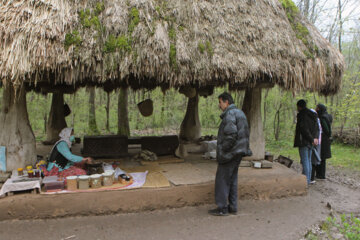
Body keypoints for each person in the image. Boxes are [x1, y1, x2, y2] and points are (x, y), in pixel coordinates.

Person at [208, 92, 251, 216]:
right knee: (232, 179)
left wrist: (223, 149)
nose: (219, 105)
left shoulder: (230, 114)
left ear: (226, 102)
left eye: (220, 102)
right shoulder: (240, 113)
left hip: (231, 153)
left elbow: (231, 135)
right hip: (239, 152)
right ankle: (233, 207)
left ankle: (222, 208)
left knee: (222, 179)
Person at [294, 100, 319, 185]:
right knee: (308, 160)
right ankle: (306, 179)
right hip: (311, 141)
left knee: (305, 161)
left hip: (304, 141)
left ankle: (306, 181)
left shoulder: (302, 115)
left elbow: (304, 129)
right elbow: (316, 128)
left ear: (299, 106)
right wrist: (314, 138)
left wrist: (311, 139)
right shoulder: (313, 115)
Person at [315, 104, 332, 179]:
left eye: (317, 108)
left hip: (323, 139)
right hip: (324, 139)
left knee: (321, 156)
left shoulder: (323, 117)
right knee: (321, 156)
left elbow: (327, 130)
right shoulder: (327, 116)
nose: (316, 109)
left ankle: (321, 174)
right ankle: (320, 174)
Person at [311, 109, 322, 183]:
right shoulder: (317, 120)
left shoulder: (315, 121)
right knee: (313, 160)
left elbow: (317, 132)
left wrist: (314, 140)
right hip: (318, 142)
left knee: (313, 160)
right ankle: (311, 177)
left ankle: (311, 178)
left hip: (315, 142)